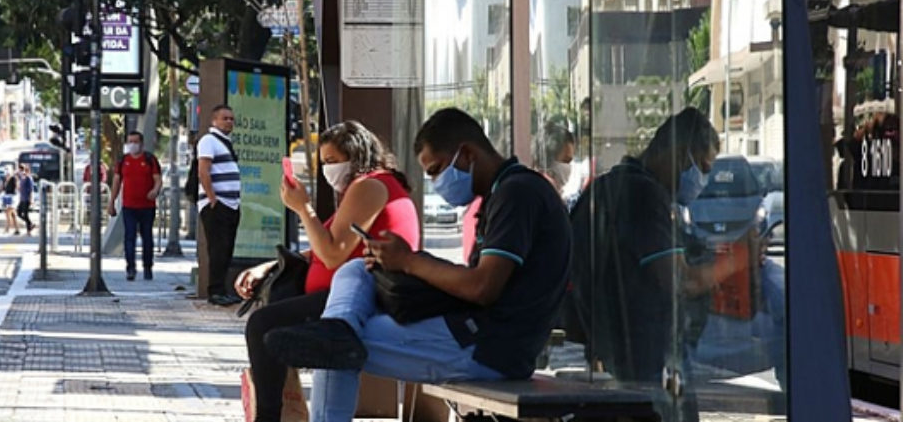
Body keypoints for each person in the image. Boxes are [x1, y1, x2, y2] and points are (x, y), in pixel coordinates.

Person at [266, 108, 572, 421]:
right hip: (475, 333)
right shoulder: (504, 192)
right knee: (357, 271)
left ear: (466, 153)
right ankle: (339, 325)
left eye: (438, 170)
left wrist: (410, 261)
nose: (437, 182)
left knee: (331, 349)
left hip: (488, 347)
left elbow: (483, 287)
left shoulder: (517, 193)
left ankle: (337, 331)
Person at [563, 107, 758, 422]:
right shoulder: (644, 196)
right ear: (682, 155)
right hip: (645, 365)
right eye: (703, 168)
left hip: (611, 357)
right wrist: (738, 258)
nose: (702, 181)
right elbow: (681, 281)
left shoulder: (608, 187)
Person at [237, 121, 420, 422]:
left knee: (262, 325)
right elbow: (326, 246)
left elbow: (333, 255)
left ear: (357, 156)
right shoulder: (362, 188)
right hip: (340, 291)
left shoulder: (370, 186)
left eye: (333, 162)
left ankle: (268, 416)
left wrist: (303, 209)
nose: (328, 170)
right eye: (323, 163)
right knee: (269, 319)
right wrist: (268, 266)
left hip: (361, 295)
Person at [197, 105, 242, 306]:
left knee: (226, 249)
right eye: (225, 118)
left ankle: (222, 289)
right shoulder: (209, 141)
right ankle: (215, 291)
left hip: (231, 204)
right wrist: (212, 198)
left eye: (232, 119)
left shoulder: (226, 143)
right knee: (218, 249)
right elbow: (203, 171)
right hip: (218, 205)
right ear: (214, 121)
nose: (229, 122)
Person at [109, 131, 163, 281]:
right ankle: (130, 268)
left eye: (135, 141)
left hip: (147, 206)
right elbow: (116, 182)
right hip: (129, 206)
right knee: (129, 237)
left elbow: (158, 179)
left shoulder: (149, 159)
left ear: (141, 143)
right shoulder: (123, 161)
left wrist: (155, 190)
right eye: (130, 141)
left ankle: (147, 267)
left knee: (147, 237)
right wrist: (111, 202)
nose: (132, 145)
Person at [0, 171, 20, 235]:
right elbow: (2, 189)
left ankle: (7, 228)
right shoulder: (5, 180)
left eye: (8, 174)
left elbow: (17, 187)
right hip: (7, 198)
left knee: (8, 213)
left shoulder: (14, 179)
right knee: (12, 215)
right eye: (6, 174)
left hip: (12, 198)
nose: (7, 175)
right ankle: (16, 229)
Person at [17, 165, 35, 235]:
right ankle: (30, 224)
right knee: (19, 213)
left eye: (25, 171)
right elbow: (20, 188)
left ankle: (29, 230)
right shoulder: (22, 178)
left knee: (25, 214)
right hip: (22, 198)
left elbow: (31, 190)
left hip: (27, 199)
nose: (23, 172)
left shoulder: (28, 179)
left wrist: (31, 199)